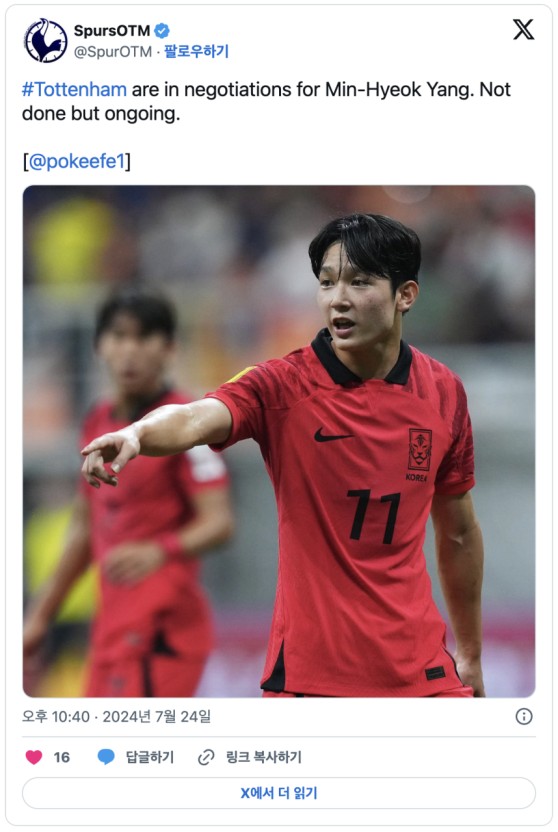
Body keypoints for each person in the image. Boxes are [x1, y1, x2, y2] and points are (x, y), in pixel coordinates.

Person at [80, 214, 485, 698]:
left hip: (423, 675)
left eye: (359, 282)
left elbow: (458, 532)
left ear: (406, 295)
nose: (337, 299)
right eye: (327, 282)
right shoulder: (281, 385)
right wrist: (138, 432)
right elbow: (193, 417)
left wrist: (470, 654)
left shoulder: (443, 392)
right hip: (311, 681)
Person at [24, 288, 234, 697]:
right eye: (119, 336)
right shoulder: (97, 421)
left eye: (144, 337)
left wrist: (160, 549)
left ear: (169, 348)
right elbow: (84, 530)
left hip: (162, 632)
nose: (130, 351)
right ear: (99, 346)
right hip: (111, 630)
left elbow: (220, 522)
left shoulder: (187, 424)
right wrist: (39, 618)